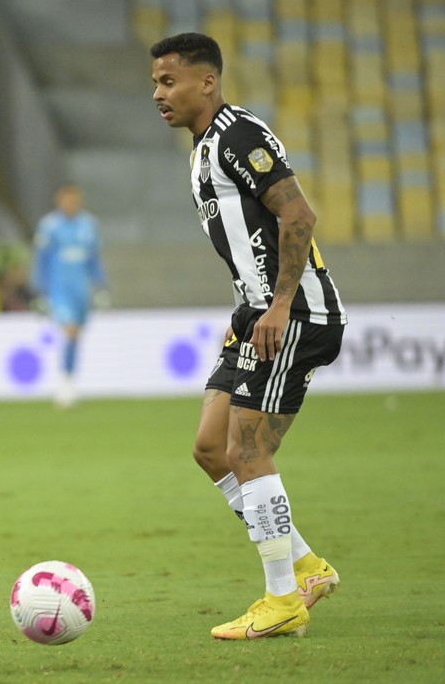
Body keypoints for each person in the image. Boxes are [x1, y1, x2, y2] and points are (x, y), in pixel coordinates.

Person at [150, 33, 347, 640]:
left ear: (206, 82)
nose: (157, 93)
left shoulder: (239, 135)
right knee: (212, 448)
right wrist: (247, 311)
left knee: (246, 451)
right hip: (254, 321)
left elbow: (299, 215)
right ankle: (308, 566)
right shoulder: (203, 148)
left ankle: (282, 600)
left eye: (168, 81)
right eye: (155, 82)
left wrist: (279, 303)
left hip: (293, 317)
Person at [30, 184, 107, 408]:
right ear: (59, 201)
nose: (70, 204)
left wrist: (101, 286)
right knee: (71, 330)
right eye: (66, 200)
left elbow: (94, 260)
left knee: (76, 335)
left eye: (74, 200)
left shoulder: (89, 225)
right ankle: (65, 382)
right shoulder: (49, 226)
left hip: (81, 291)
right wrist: (40, 290)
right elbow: (41, 260)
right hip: (58, 289)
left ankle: (69, 380)